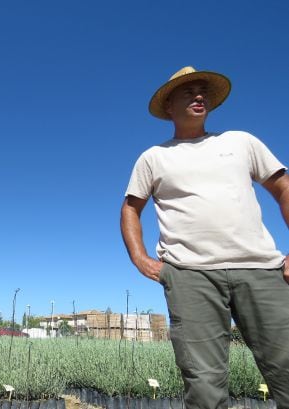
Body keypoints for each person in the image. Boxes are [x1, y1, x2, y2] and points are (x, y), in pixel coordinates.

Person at [120, 66, 289, 409]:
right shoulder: (154, 157)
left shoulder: (240, 142)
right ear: (169, 106)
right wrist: (140, 259)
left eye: (203, 92)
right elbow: (130, 209)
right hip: (189, 275)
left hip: (261, 269)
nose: (199, 96)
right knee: (204, 384)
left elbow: (284, 187)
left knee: (286, 366)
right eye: (188, 91)